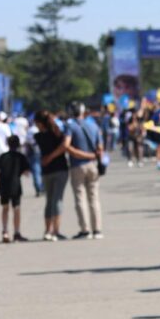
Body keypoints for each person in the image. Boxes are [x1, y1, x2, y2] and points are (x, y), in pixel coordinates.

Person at [65, 102, 104, 240]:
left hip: (77, 165)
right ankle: (97, 229)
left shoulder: (70, 126)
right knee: (94, 198)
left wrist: (80, 154)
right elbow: (100, 147)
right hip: (93, 165)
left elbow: (66, 145)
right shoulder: (93, 126)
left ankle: (85, 229)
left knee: (80, 198)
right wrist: (92, 156)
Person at [34, 110, 70, 241]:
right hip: (61, 168)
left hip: (47, 170)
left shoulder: (38, 136)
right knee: (56, 200)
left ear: (39, 123)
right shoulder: (58, 133)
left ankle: (48, 230)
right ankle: (56, 230)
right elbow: (64, 146)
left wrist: (48, 158)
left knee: (50, 200)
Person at [0, 135, 30, 243]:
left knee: (5, 208)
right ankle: (16, 233)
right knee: (16, 209)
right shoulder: (20, 156)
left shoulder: (2, 156)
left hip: (3, 185)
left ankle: (5, 231)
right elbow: (26, 172)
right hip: (15, 185)